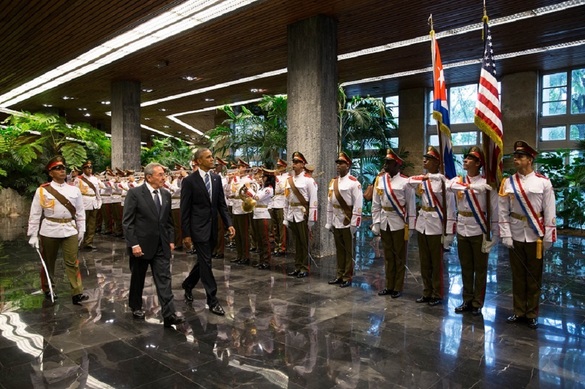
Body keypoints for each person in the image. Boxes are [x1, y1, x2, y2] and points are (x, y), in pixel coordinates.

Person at [499, 140, 556, 329]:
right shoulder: (508, 182)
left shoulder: (543, 182)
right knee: (517, 275)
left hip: (535, 235)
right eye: (515, 156)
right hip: (515, 233)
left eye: (520, 156)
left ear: (530, 159)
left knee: (533, 275)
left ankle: (531, 313)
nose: (516, 159)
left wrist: (549, 235)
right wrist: (505, 234)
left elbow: (549, 210)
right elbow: (502, 209)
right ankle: (518, 311)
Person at [122, 162, 184, 327]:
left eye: (164, 174)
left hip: (161, 245)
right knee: (138, 278)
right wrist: (133, 244)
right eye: (160, 175)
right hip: (140, 246)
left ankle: (169, 313)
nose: (164, 178)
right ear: (149, 177)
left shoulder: (166, 194)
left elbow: (168, 221)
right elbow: (128, 222)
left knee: (164, 278)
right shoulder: (135, 193)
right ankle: (136, 306)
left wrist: (170, 240)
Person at [181, 148, 236, 316]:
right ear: (198, 161)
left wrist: (229, 224)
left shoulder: (216, 178)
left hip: (213, 227)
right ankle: (212, 300)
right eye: (208, 157)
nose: (212, 159)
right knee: (207, 263)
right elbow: (185, 209)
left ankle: (188, 284)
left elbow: (221, 204)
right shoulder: (189, 181)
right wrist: (186, 234)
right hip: (198, 228)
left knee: (204, 261)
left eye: (212, 156)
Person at [27, 156, 89, 305]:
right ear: (50, 173)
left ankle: (77, 292)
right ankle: (48, 289)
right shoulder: (42, 190)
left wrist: (82, 230)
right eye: (57, 168)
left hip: (69, 229)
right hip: (49, 230)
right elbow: (35, 213)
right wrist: (33, 235)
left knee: (72, 262)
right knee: (48, 262)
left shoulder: (74, 190)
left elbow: (80, 211)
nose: (62, 171)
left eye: (63, 168)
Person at [448, 146, 498, 316]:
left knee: (481, 268)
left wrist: (495, 234)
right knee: (466, 267)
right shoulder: (457, 180)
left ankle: (478, 301)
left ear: (478, 163)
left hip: (479, 228)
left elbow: (495, 209)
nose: (465, 160)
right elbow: (450, 187)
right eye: (465, 158)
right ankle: (467, 299)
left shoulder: (486, 183)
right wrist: (472, 189)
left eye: (470, 158)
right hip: (463, 228)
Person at [408, 146, 456, 306]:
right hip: (423, 224)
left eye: (428, 159)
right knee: (424, 261)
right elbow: (408, 181)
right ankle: (426, 291)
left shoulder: (445, 183)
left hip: (436, 225)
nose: (424, 161)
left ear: (436, 162)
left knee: (436, 263)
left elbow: (450, 208)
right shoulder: (422, 180)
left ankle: (437, 293)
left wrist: (449, 232)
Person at [371, 149, 416, 298]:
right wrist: (375, 222)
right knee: (388, 256)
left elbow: (411, 206)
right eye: (385, 162)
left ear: (397, 165)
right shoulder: (380, 180)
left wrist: (411, 226)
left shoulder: (405, 182)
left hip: (399, 223)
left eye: (389, 163)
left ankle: (398, 286)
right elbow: (375, 203)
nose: (385, 165)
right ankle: (389, 285)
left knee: (399, 256)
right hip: (385, 222)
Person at [325, 152, 363, 288]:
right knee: (339, 249)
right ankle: (339, 274)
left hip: (347, 220)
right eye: (337, 163)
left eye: (341, 163)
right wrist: (329, 221)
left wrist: (354, 223)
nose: (338, 166)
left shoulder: (354, 183)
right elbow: (329, 203)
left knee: (348, 250)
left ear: (348, 165)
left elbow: (358, 205)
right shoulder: (333, 182)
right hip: (336, 220)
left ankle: (347, 276)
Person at [284, 151, 318, 278]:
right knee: (296, 243)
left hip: (302, 214)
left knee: (303, 243)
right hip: (292, 214)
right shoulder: (289, 180)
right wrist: (285, 217)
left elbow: (314, 200)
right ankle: (297, 266)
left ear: (303, 164)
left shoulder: (309, 181)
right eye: (294, 162)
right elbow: (286, 200)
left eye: (297, 162)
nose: (294, 164)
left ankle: (304, 267)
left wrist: (311, 219)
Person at [246, 168, 275, 269]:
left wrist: (249, 189)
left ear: (268, 178)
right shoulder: (262, 188)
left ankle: (266, 261)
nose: (261, 178)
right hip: (257, 214)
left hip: (263, 215)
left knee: (264, 239)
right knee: (258, 239)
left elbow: (257, 198)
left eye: (263, 177)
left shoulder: (269, 189)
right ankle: (261, 260)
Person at [228, 158, 253, 264]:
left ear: (245, 168)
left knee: (244, 234)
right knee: (237, 234)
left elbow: (247, 193)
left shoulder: (248, 180)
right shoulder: (235, 179)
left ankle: (245, 256)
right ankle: (239, 255)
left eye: (240, 167)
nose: (238, 169)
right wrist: (229, 180)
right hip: (235, 207)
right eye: (238, 167)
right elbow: (228, 191)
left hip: (243, 208)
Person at [75, 160, 103, 250]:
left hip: (93, 202)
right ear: (83, 169)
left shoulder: (95, 179)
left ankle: (89, 242)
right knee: (82, 223)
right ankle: (79, 241)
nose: (89, 170)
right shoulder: (78, 179)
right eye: (87, 168)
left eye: (90, 168)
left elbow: (97, 192)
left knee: (92, 224)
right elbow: (75, 193)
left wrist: (99, 202)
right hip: (83, 203)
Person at [271, 158, 289, 256]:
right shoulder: (277, 177)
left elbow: (283, 189)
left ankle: (282, 247)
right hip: (274, 202)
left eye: (279, 167)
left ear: (284, 167)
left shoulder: (287, 177)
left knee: (282, 227)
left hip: (282, 203)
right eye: (277, 167)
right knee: (275, 227)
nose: (277, 169)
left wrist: (276, 179)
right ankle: (277, 245)